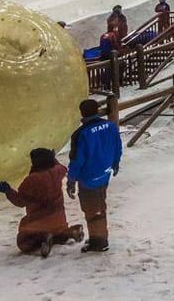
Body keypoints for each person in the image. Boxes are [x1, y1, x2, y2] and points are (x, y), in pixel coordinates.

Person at [0, 148, 83, 257]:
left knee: (23, 242)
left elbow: (20, 202)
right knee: (57, 232)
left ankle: (43, 238)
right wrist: (53, 159)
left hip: (39, 221)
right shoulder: (57, 171)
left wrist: (8, 191)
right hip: (59, 219)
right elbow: (63, 168)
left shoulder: (31, 180)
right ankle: (70, 232)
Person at [67, 99, 122, 253]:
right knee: (100, 204)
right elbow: (117, 145)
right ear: (97, 110)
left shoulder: (80, 134)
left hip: (88, 178)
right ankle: (100, 236)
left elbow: (77, 161)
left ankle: (99, 242)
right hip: (104, 173)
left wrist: (71, 180)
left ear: (82, 113)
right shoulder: (111, 126)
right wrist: (116, 162)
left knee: (92, 209)